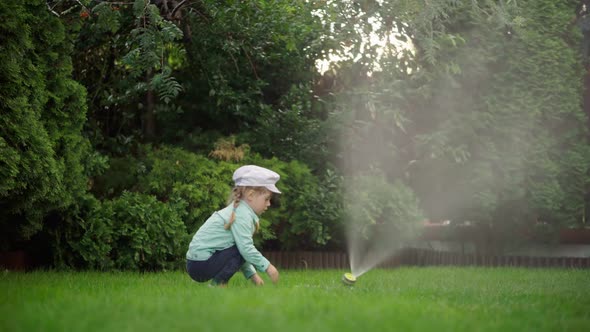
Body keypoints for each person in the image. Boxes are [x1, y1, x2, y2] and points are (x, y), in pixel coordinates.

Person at [186, 165, 281, 287]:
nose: (268, 204)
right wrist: (268, 267)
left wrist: (254, 277)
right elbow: (244, 250)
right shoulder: (242, 215)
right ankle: (218, 285)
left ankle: (219, 284)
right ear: (251, 195)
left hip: (197, 264)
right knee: (243, 248)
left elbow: (239, 251)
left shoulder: (240, 210)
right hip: (201, 264)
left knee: (240, 248)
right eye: (266, 199)